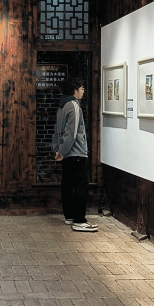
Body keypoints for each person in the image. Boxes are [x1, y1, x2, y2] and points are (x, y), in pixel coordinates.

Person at [53, 78, 96, 232]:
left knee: (67, 185)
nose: (83, 91)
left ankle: (69, 216)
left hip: (66, 154)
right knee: (81, 187)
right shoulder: (74, 106)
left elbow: (57, 131)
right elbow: (72, 133)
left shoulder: (62, 105)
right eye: (81, 88)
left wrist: (59, 150)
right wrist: (63, 151)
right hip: (76, 152)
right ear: (75, 90)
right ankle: (79, 220)